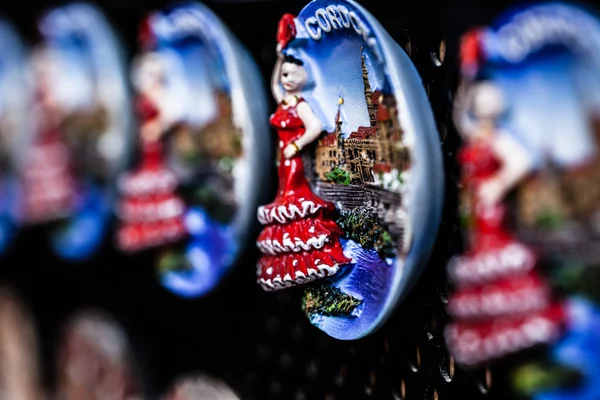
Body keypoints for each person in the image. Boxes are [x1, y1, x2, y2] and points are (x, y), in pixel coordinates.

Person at [255, 35, 351, 291]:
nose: (286, 80)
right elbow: (274, 82)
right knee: (283, 199)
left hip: (294, 160)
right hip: (282, 162)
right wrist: (278, 57)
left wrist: (296, 145)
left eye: (291, 76)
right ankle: (293, 259)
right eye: (285, 75)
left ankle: (309, 256)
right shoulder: (283, 100)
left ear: (301, 79)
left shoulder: (301, 105)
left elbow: (316, 127)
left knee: (293, 202)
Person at [115, 52, 187, 252]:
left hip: (155, 143)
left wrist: (156, 127)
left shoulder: (160, 95)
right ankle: (148, 231)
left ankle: (165, 230)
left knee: (156, 173)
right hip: (145, 145)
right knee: (145, 174)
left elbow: (171, 115)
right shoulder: (143, 95)